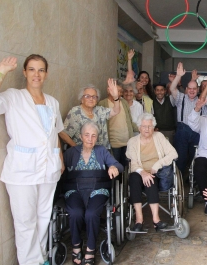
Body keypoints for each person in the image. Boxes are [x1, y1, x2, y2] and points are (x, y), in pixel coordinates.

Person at [0, 55, 64, 265]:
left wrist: (60, 160)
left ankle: (42, 259)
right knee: (25, 221)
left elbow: (54, 134)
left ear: (46, 73)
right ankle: (30, 262)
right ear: (24, 72)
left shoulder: (53, 102)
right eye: (31, 69)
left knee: (43, 218)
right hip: (22, 170)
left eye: (40, 70)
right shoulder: (14, 97)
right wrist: (2, 70)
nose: (36, 74)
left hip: (49, 168)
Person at [63, 121, 123, 265]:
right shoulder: (71, 152)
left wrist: (113, 167)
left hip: (98, 189)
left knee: (91, 213)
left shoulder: (102, 150)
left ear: (97, 138)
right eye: (87, 135)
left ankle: (90, 249)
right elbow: (59, 167)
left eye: (93, 136)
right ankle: (76, 246)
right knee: (76, 212)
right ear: (80, 136)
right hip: (74, 189)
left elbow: (119, 165)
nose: (90, 139)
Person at [126, 113, 178, 232]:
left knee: (151, 180)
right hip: (138, 172)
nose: (147, 129)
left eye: (149, 126)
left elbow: (173, 153)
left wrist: (157, 164)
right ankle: (139, 219)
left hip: (156, 172)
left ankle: (156, 219)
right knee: (133, 178)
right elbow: (133, 163)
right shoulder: (132, 142)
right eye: (144, 126)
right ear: (139, 127)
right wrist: (143, 172)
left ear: (154, 127)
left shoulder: (159, 137)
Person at [59, 80, 120, 149]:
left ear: (97, 100)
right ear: (81, 99)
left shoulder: (100, 110)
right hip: (82, 155)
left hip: (100, 153)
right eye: (87, 96)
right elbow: (63, 134)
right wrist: (76, 148)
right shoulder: (76, 112)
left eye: (94, 97)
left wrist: (115, 97)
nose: (91, 99)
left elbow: (116, 111)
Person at [170, 62, 201, 174]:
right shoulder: (181, 98)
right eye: (190, 88)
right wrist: (178, 76)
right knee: (181, 158)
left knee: (196, 159)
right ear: (186, 89)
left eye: (194, 88)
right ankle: (180, 182)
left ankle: (193, 182)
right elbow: (172, 88)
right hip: (182, 132)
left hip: (196, 132)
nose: (192, 91)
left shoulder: (201, 101)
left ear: (198, 90)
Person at [98, 80, 138, 168]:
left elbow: (130, 122)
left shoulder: (124, 103)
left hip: (127, 143)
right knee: (114, 168)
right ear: (109, 90)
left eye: (120, 91)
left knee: (126, 168)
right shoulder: (102, 104)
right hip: (113, 144)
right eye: (117, 90)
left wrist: (143, 128)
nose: (118, 93)